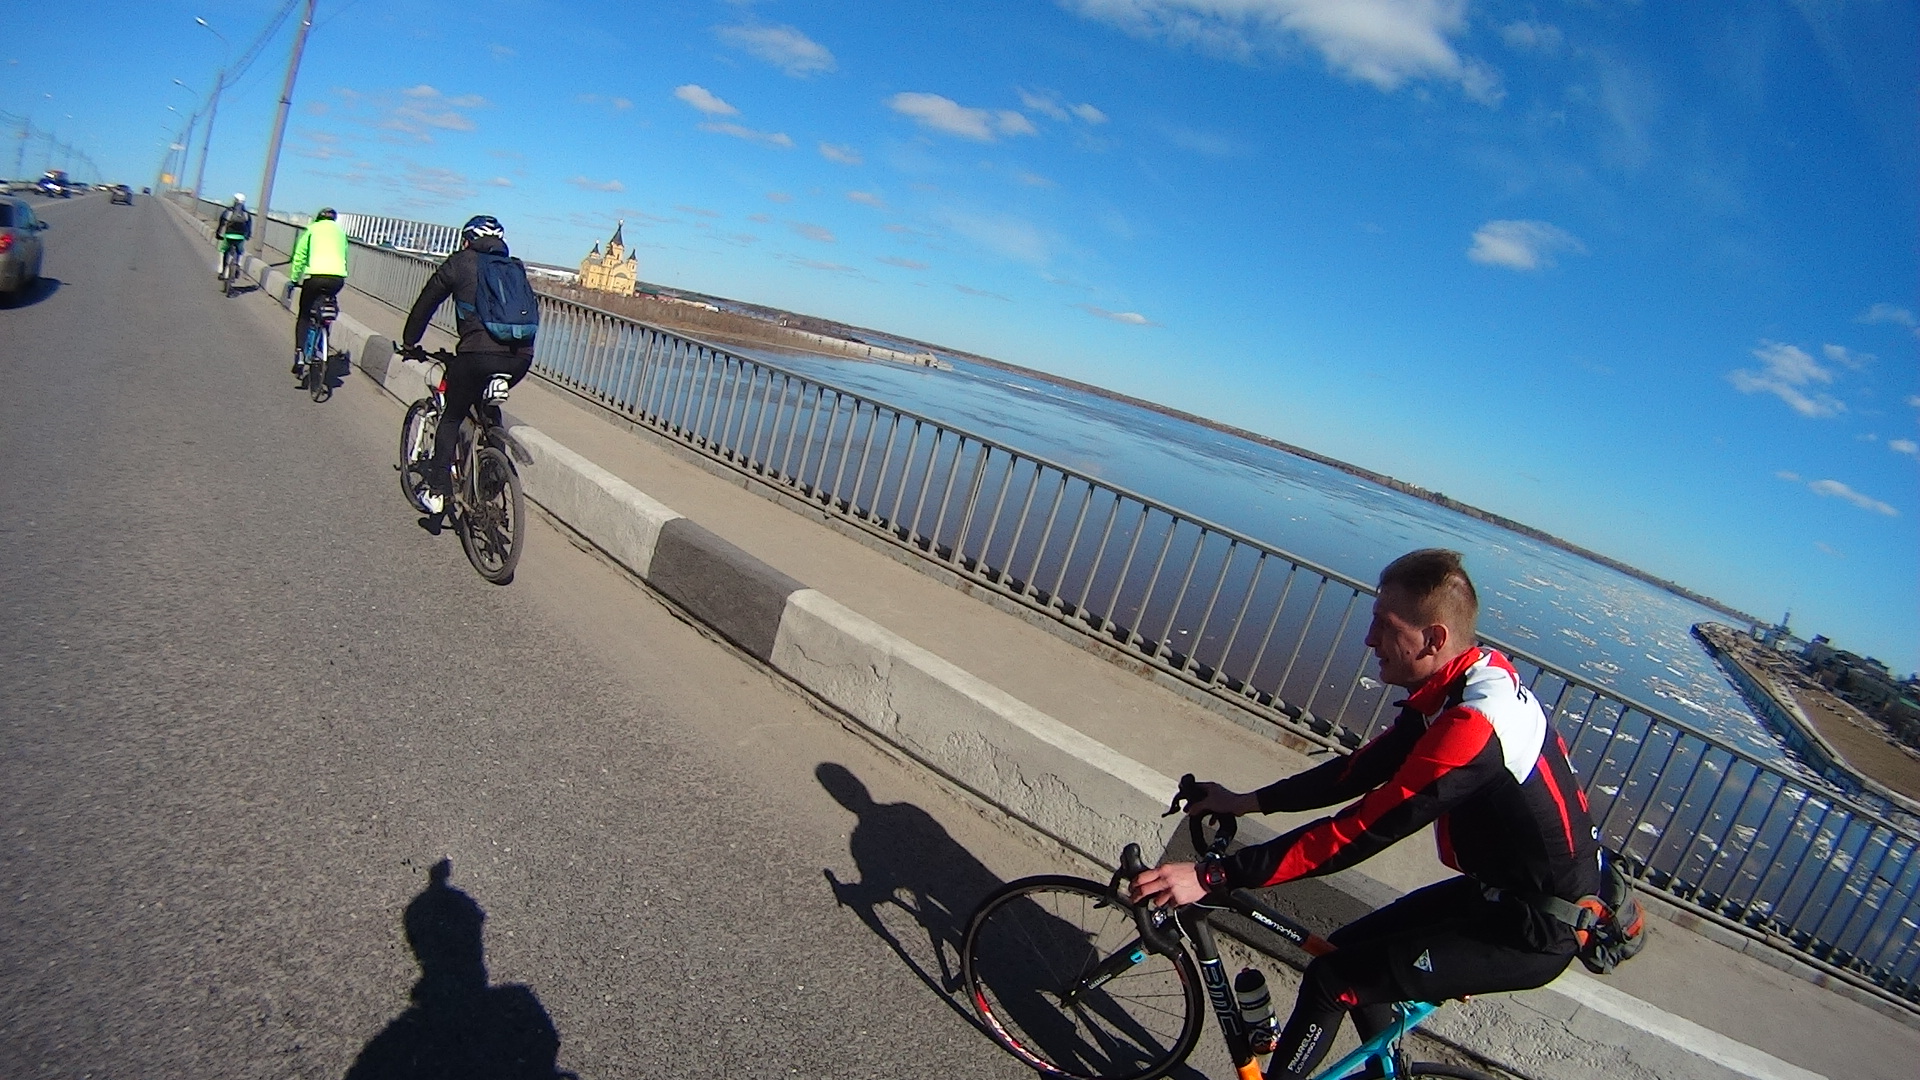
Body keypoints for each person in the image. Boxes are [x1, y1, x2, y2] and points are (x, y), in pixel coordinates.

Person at [1131, 548, 1601, 1080]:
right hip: (1502, 895)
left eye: (1385, 625)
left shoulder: (1474, 726)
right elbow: (1357, 771)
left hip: (1534, 928)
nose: (1369, 640)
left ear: (1434, 639)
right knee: (1348, 953)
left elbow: (1359, 833)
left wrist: (1214, 876)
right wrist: (1245, 801)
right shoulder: (1468, 679)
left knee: (1333, 980)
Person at [399, 215, 533, 501]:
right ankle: (492, 480)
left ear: (467, 240)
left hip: (477, 355)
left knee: (452, 415)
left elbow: (426, 303)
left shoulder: (460, 262)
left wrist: (410, 342)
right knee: (488, 408)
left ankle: (437, 490)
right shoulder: (515, 268)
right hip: (520, 358)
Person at [287, 207, 350, 374]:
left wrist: (294, 279)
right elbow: (344, 256)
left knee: (304, 314)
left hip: (315, 277)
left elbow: (300, 255)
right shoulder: (341, 232)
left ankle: (300, 353)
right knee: (327, 307)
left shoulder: (312, 229)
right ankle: (322, 339)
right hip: (337, 279)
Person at [215, 193, 252, 277]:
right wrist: (247, 236)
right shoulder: (246, 214)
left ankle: (221, 269)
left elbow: (221, 224)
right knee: (240, 251)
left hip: (229, 235)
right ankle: (238, 264)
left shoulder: (228, 211)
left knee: (223, 249)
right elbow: (249, 228)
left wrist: (218, 234)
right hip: (240, 237)